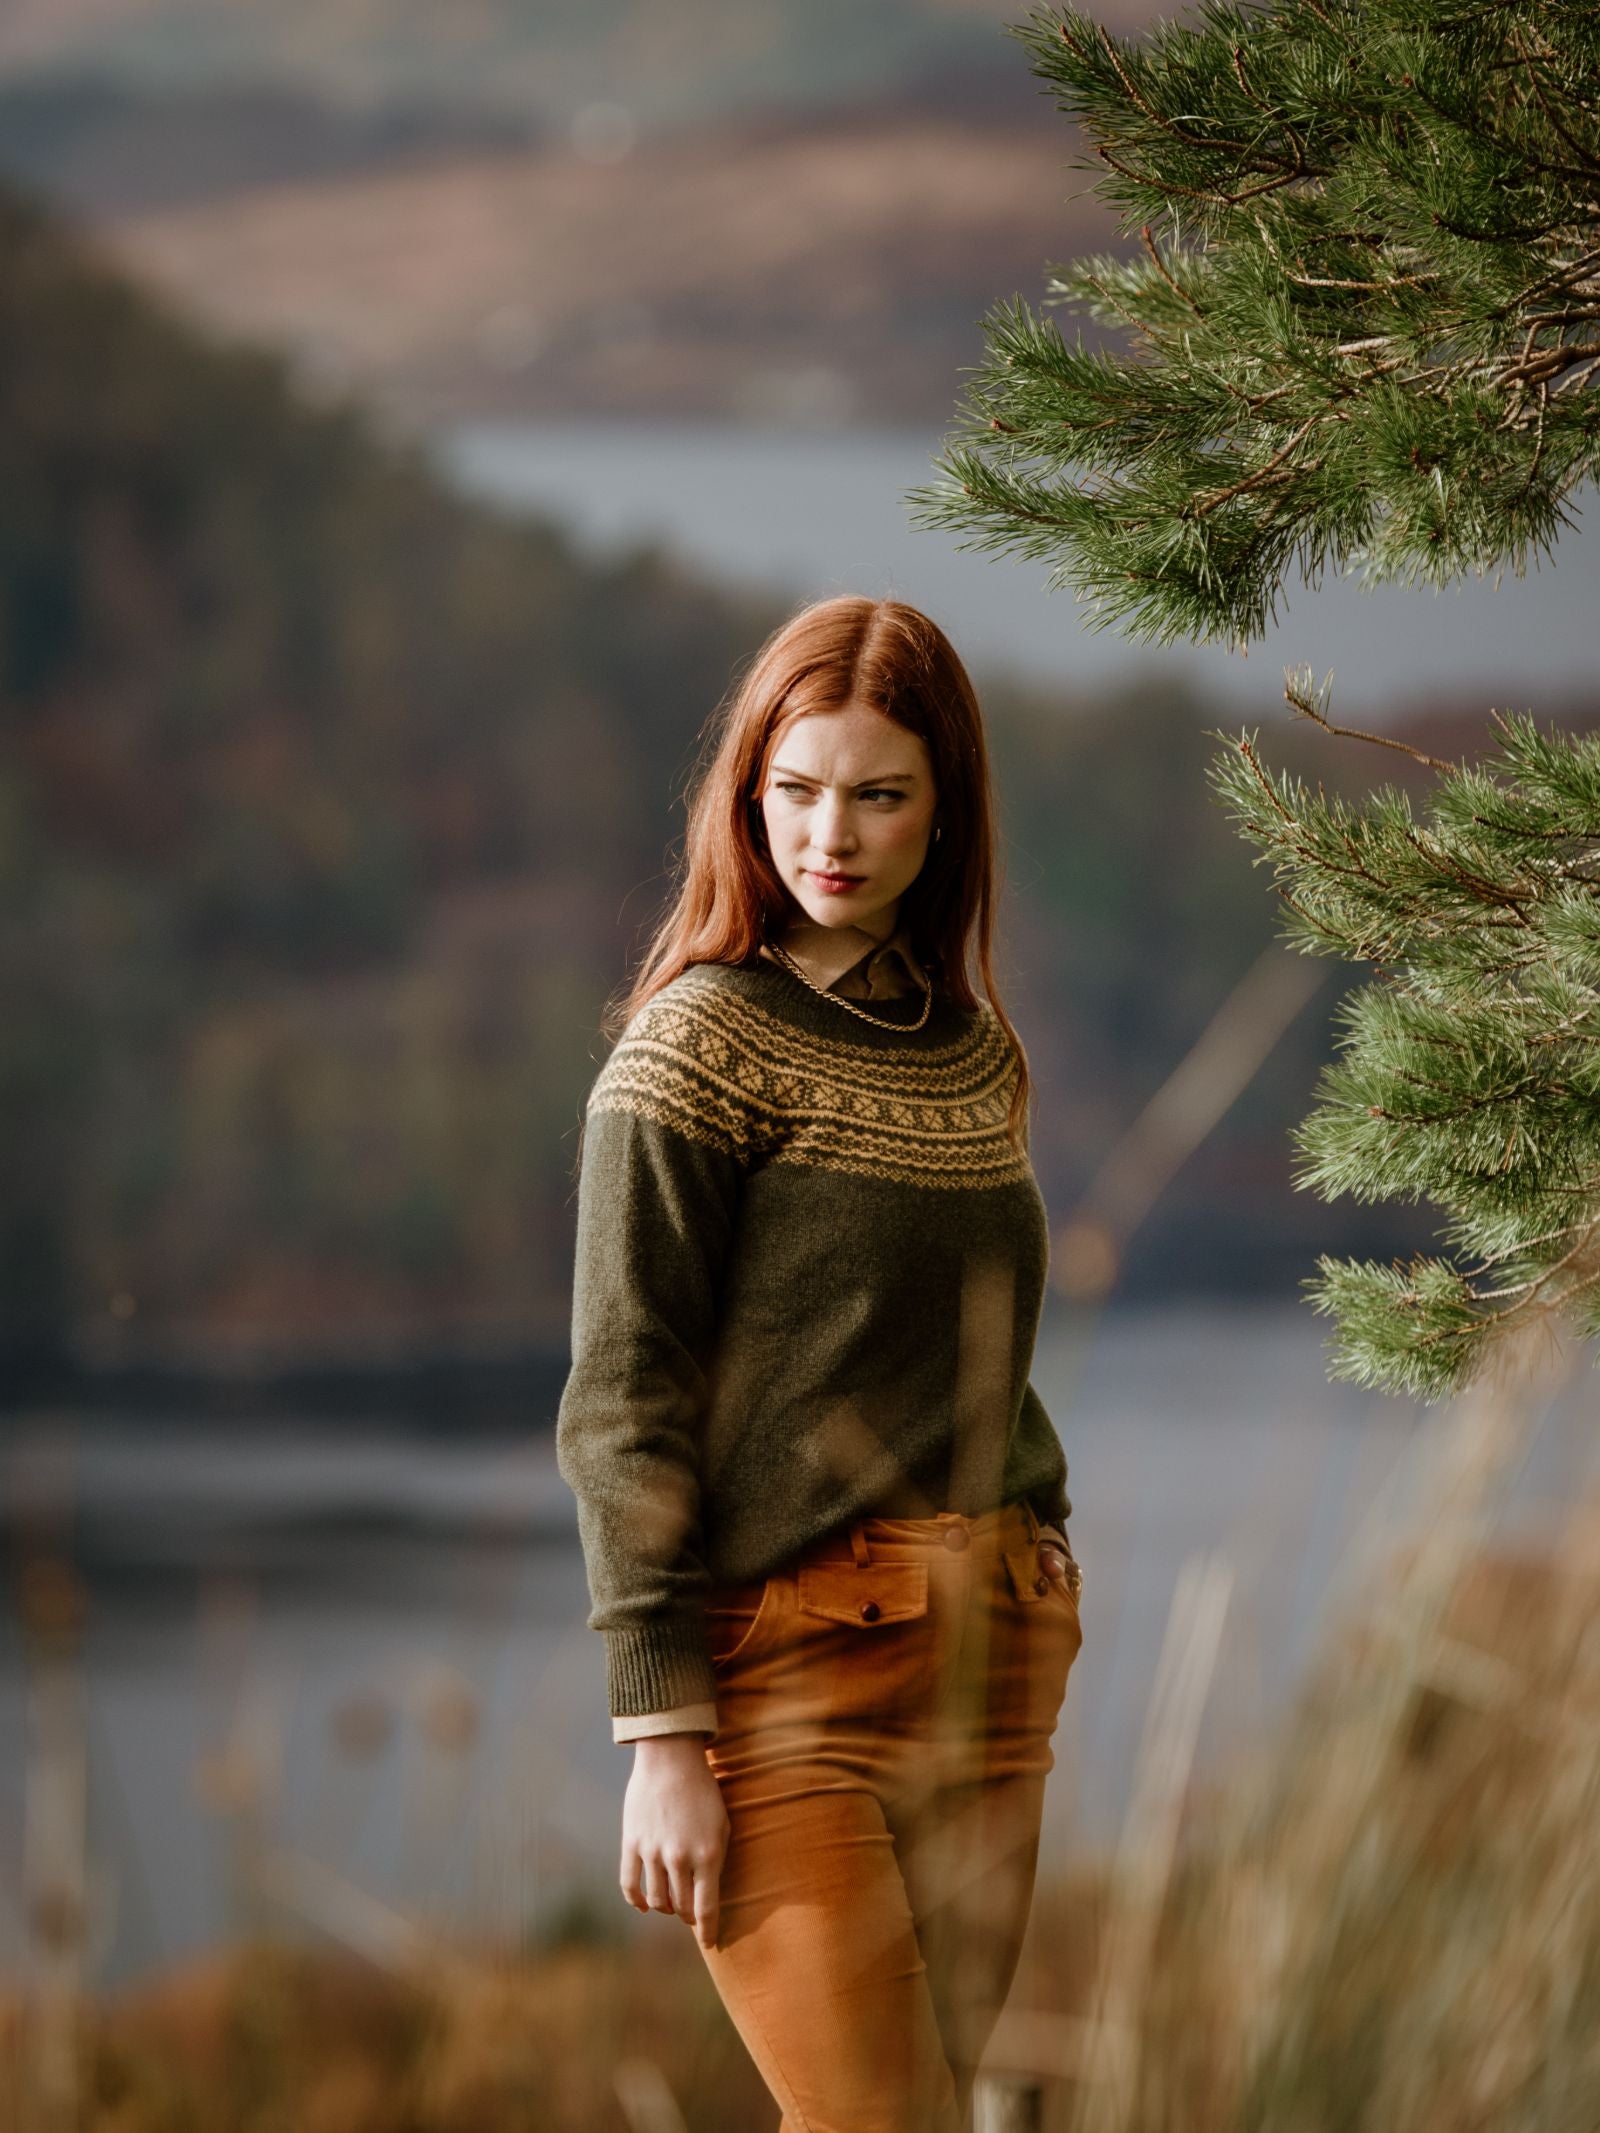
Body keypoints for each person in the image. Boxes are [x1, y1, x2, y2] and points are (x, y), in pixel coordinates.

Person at [556, 593, 1082, 2133]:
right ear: (748, 796)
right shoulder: (692, 1044)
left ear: (947, 808)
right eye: (794, 790)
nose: (829, 833)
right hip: (787, 1678)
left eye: (877, 791)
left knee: (937, 2108)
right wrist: (661, 1731)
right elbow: (621, 1396)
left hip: (996, 1658)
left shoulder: (976, 1048)